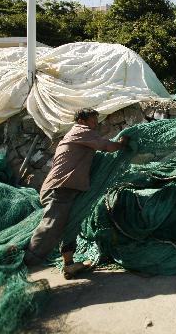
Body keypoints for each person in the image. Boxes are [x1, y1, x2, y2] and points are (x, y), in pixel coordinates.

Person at [23, 108, 129, 278]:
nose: (96, 123)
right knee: (52, 226)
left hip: (67, 187)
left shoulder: (82, 134)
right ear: (82, 120)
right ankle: (28, 262)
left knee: (71, 223)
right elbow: (106, 146)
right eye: (93, 120)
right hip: (60, 188)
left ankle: (69, 264)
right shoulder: (82, 131)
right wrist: (122, 144)